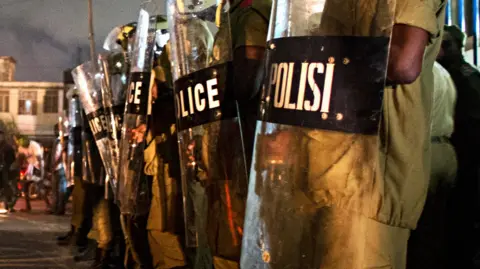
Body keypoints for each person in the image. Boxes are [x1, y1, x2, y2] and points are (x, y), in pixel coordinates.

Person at [406, 61, 457, 269]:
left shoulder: (417, 71)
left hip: (424, 154)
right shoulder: (444, 72)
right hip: (446, 150)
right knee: (436, 226)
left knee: (417, 228)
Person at [437, 25, 480, 268]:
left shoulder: (463, 76)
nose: (441, 50)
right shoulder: (453, 73)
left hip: (465, 154)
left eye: (447, 45)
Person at [15, 135, 49, 212]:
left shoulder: (34, 145)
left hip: (38, 167)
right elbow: (19, 160)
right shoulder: (20, 148)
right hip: (30, 167)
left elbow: (40, 160)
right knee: (25, 185)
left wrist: (42, 174)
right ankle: (28, 206)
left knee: (40, 187)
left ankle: (49, 205)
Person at [50, 123, 68, 215]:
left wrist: (54, 164)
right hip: (56, 168)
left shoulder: (64, 140)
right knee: (55, 190)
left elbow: (62, 154)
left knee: (61, 190)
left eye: (57, 129)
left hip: (61, 168)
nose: (55, 131)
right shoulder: (56, 141)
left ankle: (60, 209)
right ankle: (55, 208)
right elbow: (54, 154)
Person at [0, 130, 16, 213]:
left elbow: (12, 159)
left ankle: (8, 205)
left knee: (6, 187)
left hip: (6, 171)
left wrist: (5, 166)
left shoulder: (8, 147)